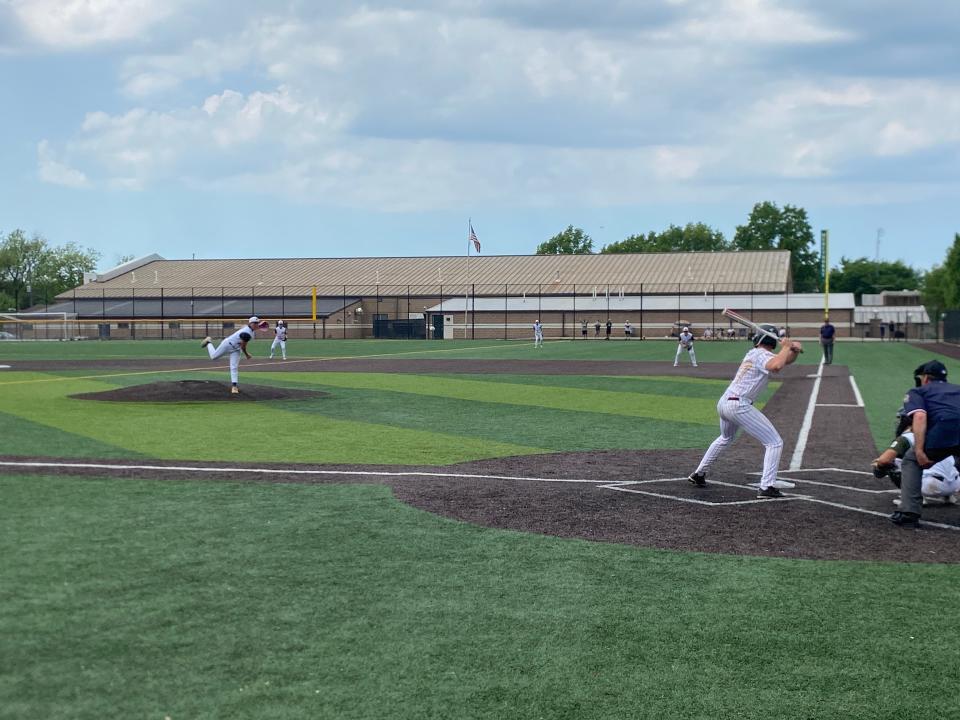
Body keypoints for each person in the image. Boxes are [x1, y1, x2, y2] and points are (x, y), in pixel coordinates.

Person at [687, 324, 803, 497]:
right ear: (772, 340)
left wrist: (792, 351)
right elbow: (776, 366)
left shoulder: (756, 353)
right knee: (774, 442)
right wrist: (786, 346)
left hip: (725, 402)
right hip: (738, 405)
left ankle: (699, 474)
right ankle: (767, 487)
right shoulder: (761, 355)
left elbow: (783, 360)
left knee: (726, 438)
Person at [889, 360, 960, 527]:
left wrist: (920, 450)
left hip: (943, 429)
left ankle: (909, 512)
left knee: (912, 460)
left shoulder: (918, 391)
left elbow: (919, 416)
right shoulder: (957, 389)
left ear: (926, 378)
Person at [201, 316, 266, 394]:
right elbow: (243, 346)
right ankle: (209, 342)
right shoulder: (246, 333)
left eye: (257, 323)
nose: (257, 324)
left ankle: (234, 386)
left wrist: (260, 326)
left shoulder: (251, 330)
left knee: (234, 367)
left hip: (236, 349)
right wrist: (246, 354)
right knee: (213, 357)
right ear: (250, 323)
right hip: (227, 345)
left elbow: (244, 339)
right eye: (255, 323)